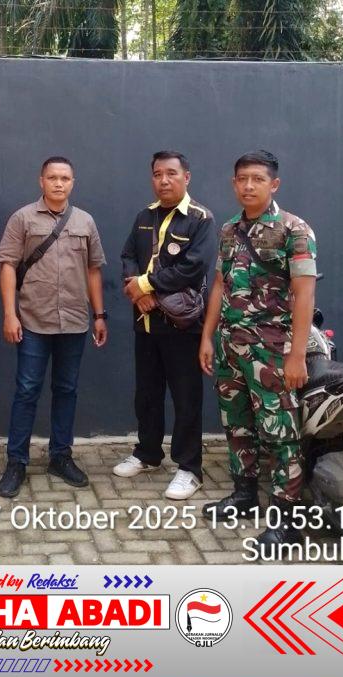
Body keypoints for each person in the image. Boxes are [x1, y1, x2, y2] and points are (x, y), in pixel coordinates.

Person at [199, 150, 316, 548]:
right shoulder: (229, 229)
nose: (249, 186)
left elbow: (304, 293)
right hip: (231, 346)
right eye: (242, 179)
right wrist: (207, 337)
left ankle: (287, 520)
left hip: (272, 350)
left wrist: (296, 355)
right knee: (237, 424)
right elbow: (219, 284)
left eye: (258, 179)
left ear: (273, 184)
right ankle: (245, 495)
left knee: (280, 432)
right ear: (234, 183)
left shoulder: (294, 230)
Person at [0, 156, 108, 498]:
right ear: (41, 181)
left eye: (65, 178)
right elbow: (8, 266)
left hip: (73, 321)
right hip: (33, 320)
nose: (59, 183)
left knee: (66, 390)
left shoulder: (85, 221)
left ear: (72, 182)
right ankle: (17, 461)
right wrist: (10, 314)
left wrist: (99, 315)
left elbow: (93, 269)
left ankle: (61, 456)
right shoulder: (23, 218)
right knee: (27, 390)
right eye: (52, 177)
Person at [115, 151, 217, 500]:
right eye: (158, 174)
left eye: (171, 173)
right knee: (147, 393)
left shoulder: (201, 219)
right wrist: (137, 291)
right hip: (145, 323)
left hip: (182, 326)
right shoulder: (144, 216)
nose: (164, 180)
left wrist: (145, 286)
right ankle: (147, 453)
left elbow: (193, 267)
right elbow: (128, 255)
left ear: (186, 177)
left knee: (186, 397)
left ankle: (189, 468)